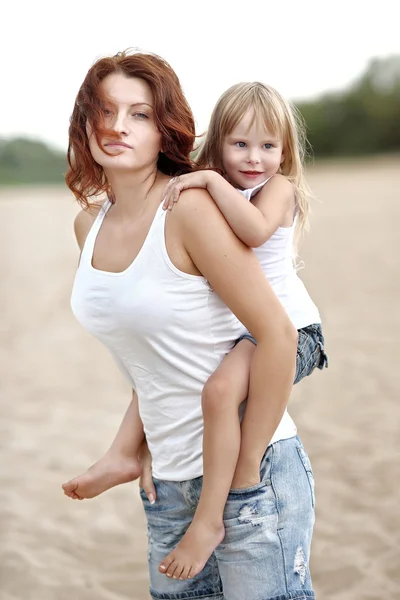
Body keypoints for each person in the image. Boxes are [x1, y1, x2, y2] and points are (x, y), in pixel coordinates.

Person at [62, 49, 316, 600]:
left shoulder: (190, 209)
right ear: (84, 123)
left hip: (249, 484)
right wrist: (143, 442)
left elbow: (278, 333)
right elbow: (152, 353)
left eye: (140, 114)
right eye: (103, 111)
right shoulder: (88, 226)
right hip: (168, 483)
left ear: (166, 129)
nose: (117, 126)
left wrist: (242, 479)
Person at [156, 82, 328, 579]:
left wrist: (210, 183)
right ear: (219, 143)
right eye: (240, 144)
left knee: (219, 393)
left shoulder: (278, 189)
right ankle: (214, 510)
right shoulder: (214, 183)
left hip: (293, 329)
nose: (255, 158)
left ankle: (243, 477)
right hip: (249, 333)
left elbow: (253, 230)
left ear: (285, 150)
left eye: (268, 146)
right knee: (217, 394)